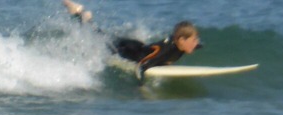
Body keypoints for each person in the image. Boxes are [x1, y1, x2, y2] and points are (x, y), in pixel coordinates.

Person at [61, 0, 201, 74]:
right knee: (99, 38)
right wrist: (141, 88)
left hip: (137, 45)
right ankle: (79, 14)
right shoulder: (166, 50)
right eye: (194, 40)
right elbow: (143, 65)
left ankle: (84, 17)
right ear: (182, 40)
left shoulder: (179, 44)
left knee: (102, 36)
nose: (197, 43)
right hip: (127, 50)